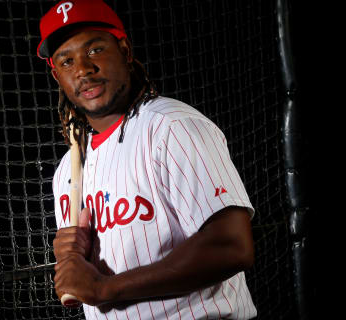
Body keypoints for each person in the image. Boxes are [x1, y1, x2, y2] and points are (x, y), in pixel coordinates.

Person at [37, 0, 257, 319]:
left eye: (95, 50)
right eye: (67, 61)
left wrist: (104, 287)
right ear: (57, 76)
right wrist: (73, 259)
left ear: (125, 51)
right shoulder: (66, 172)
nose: (83, 69)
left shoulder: (170, 127)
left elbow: (231, 246)